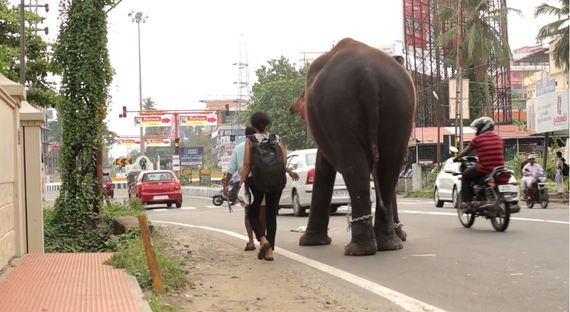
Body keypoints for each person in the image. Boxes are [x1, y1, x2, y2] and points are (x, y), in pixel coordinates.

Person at [240, 112, 299, 261]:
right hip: (276, 180)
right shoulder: (276, 139)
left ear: (253, 125)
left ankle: (263, 240)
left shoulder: (250, 140)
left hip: (256, 181)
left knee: (253, 213)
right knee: (271, 215)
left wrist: (240, 183)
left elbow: (247, 164)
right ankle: (270, 252)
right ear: (267, 124)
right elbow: (283, 161)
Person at [454, 117, 504, 209]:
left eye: (477, 128)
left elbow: (467, 151)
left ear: (482, 127)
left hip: (485, 168)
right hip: (499, 169)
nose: (476, 130)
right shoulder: (498, 138)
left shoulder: (478, 139)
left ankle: (468, 202)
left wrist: (456, 158)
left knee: (465, 175)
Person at [223, 126, 257, 251]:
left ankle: (252, 241)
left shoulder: (239, 148)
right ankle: (265, 240)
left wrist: (226, 185)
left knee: (248, 213)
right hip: (263, 183)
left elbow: (231, 170)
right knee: (262, 213)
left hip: (247, 183)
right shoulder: (263, 145)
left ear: (245, 135)